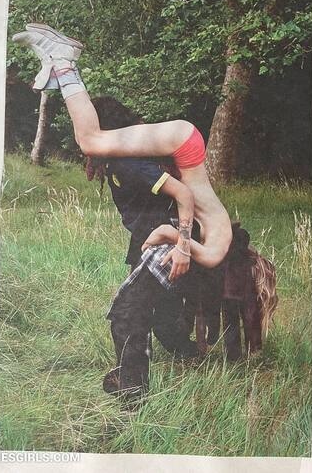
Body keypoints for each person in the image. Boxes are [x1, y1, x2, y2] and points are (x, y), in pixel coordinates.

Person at [12, 24, 233, 275]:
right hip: (183, 142)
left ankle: (59, 67)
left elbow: (170, 228)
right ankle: (64, 64)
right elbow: (177, 211)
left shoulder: (217, 238)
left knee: (91, 139)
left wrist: (177, 241)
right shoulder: (214, 253)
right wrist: (182, 246)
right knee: (89, 141)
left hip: (185, 142)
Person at [89, 96, 198, 358]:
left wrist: (183, 247)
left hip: (167, 238)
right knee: (163, 318)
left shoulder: (130, 164)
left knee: (129, 312)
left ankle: (131, 380)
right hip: (146, 236)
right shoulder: (116, 160)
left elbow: (183, 194)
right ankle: (191, 356)